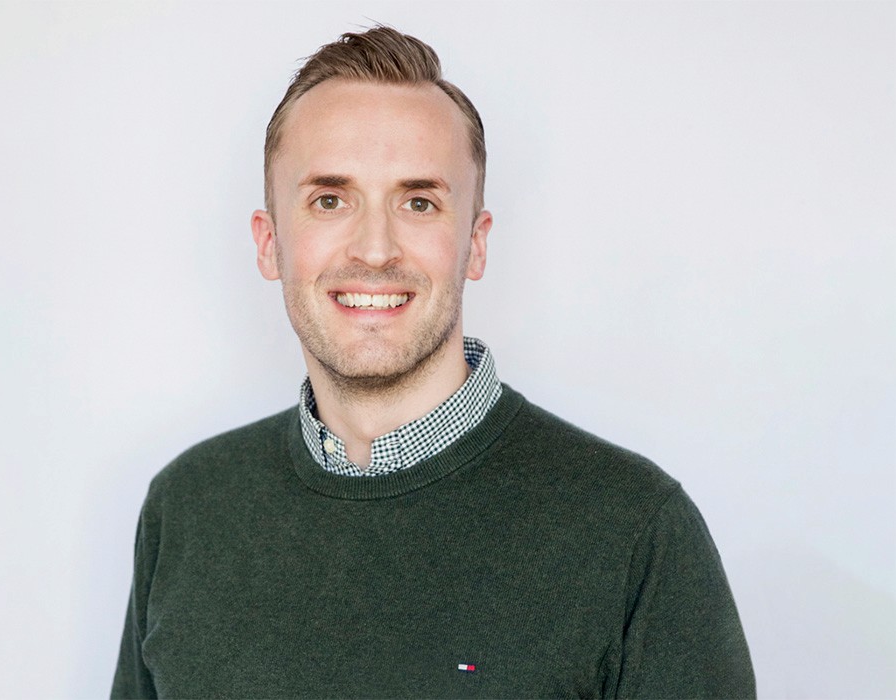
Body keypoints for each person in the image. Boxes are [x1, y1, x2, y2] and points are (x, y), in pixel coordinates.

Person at [111, 26, 755, 699]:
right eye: (330, 200)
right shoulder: (187, 508)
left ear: (475, 244)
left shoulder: (635, 529)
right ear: (270, 243)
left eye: (418, 202)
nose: (375, 249)